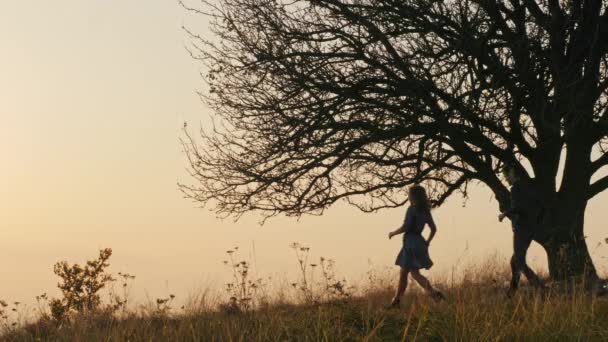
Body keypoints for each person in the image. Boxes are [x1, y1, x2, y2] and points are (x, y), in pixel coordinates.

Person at [388, 185, 445, 307]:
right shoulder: (425, 211)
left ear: (413, 196)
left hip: (410, 242)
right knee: (415, 273)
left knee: (403, 273)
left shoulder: (411, 209)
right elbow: (434, 229)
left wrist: (393, 233)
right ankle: (434, 293)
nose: (408, 197)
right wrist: (427, 242)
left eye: (409, 194)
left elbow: (405, 227)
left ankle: (396, 300)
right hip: (420, 242)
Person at [499, 164, 546, 297]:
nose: (506, 179)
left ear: (513, 173)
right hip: (530, 229)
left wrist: (504, 214)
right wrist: (536, 222)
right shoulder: (529, 188)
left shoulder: (516, 189)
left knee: (519, 261)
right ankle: (512, 291)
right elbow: (541, 206)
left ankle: (539, 287)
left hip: (521, 229)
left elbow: (517, 207)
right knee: (515, 261)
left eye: (507, 176)